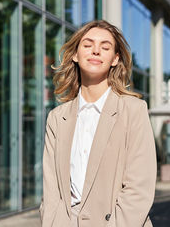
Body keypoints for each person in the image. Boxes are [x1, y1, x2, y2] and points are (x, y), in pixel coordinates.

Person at [40, 20, 156, 227]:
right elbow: (51, 190)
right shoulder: (57, 118)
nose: (95, 51)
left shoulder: (133, 111)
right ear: (75, 54)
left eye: (105, 47)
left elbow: (139, 188)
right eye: (87, 45)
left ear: (114, 59)